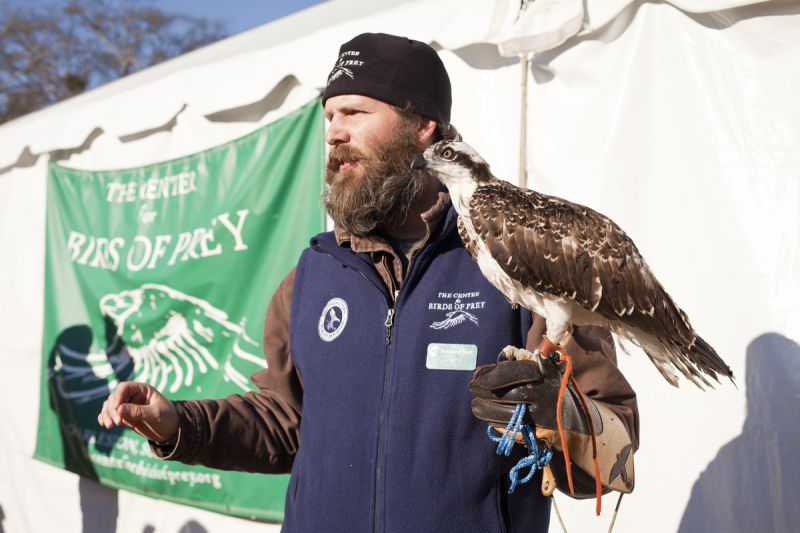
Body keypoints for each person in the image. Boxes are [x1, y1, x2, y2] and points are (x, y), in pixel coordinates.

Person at [98, 33, 638, 532]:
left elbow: (618, 448)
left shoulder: (514, 259)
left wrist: (561, 417)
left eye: (355, 112)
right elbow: (286, 421)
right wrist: (177, 424)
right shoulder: (313, 274)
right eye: (329, 115)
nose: (334, 132)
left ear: (423, 127)